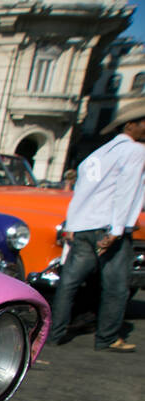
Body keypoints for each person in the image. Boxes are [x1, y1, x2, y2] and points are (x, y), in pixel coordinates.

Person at [47, 100, 145, 352]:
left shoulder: (97, 155)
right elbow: (128, 192)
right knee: (116, 286)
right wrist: (117, 229)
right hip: (107, 225)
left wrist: (71, 223)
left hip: (82, 226)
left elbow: (80, 192)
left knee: (69, 283)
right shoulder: (134, 151)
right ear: (131, 125)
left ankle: (54, 333)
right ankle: (108, 337)